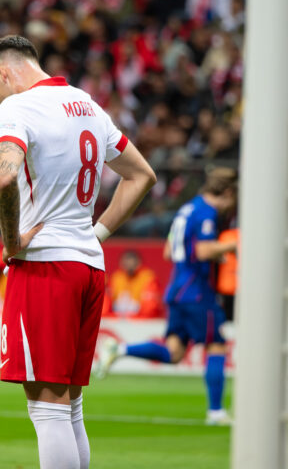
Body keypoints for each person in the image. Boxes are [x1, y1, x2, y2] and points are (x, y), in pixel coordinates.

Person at [0, 35, 156, 469]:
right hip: (88, 264)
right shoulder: (87, 105)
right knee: (69, 406)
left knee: (46, 406)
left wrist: (10, 243)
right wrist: (97, 232)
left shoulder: (17, 108)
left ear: (3, 72)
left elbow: (3, 179)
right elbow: (142, 175)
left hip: (45, 265)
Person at [95, 168, 238, 426]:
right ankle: (216, 413)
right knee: (216, 344)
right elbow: (204, 249)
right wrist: (232, 245)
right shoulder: (207, 212)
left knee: (174, 352)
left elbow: (168, 251)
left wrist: (208, 253)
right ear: (227, 193)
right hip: (197, 291)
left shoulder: (186, 210)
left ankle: (120, 348)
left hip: (178, 289)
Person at [104, 250, 162, 318]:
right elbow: (107, 301)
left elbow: (151, 306)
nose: (129, 266)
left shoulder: (148, 278)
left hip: (141, 319)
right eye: (126, 263)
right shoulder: (116, 278)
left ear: (139, 263)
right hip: (118, 317)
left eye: (132, 263)